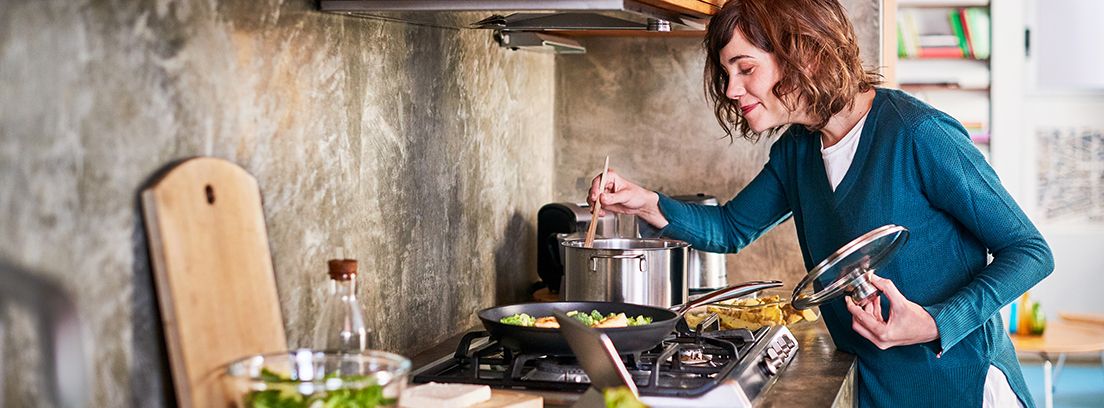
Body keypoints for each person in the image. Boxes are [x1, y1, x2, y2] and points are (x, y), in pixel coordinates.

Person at [587, 0, 1054, 407]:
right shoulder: (797, 151)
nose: (732, 89)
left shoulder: (918, 134)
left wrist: (936, 322)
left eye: (746, 69)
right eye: (728, 73)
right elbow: (730, 228)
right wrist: (645, 203)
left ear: (805, 54)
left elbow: (1031, 252)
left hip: (960, 385)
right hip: (873, 386)